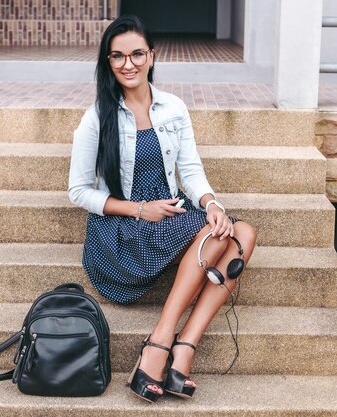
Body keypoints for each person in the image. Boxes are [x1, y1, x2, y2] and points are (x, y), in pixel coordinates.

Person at [68, 14, 257, 403]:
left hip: (169, 210)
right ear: (108, 62)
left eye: (137, 54)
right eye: (117, 56)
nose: (128, 64)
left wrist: (212, 204)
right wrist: (139, 210)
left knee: (243, 233)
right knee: (215, 236)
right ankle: (159, 343)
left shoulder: (173, 108)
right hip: (123, 227)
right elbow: (78, 192)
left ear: (152, 56)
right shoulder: (96, 119)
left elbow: (190, 170)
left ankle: (184, 347)